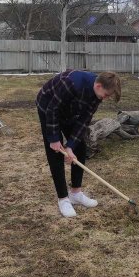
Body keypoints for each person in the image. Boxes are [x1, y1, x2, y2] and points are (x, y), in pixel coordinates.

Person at [36, 70, 121, 218]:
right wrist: (54, 139)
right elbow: (53, 109)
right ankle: (63, 199)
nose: (105, 99)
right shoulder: (72, 83)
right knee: (55, 151)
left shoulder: (97, 95)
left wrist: (70, 146)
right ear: (99, 86)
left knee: (80, 146)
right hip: (48, 107)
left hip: (70, 112)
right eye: (106, 95)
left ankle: (75, 193)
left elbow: (84, 120)